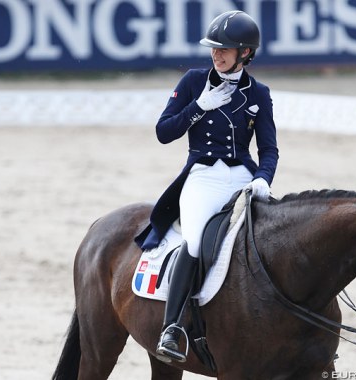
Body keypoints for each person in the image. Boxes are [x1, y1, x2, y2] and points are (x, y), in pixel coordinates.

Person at [145, 10, 279, 363]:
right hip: (202, 177)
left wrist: (264, 178)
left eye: (225, 50)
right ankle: (172, 328)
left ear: (245, 53)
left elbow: (268, 148)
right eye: (214, 49)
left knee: (272, 239)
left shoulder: (258, 93)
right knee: (194, 241)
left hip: (242, 178)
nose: (216, 55)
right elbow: (163, 132)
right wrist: (198, 107)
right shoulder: (193, 81)